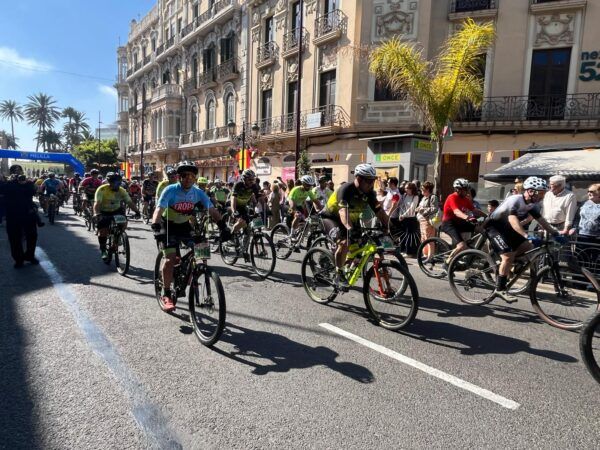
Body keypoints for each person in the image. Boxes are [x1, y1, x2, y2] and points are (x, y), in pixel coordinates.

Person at [151, 162, 228, 311]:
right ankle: (166, 294)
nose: (188, 178)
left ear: (195, 178)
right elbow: (159, 209)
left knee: (201, 250)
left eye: (191, 176)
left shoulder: (197, 192)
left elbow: (212, 210)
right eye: (184, 175)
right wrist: (155, 225)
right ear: (179, 177)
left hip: (185, 225)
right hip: (168, 225)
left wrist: (223, 226)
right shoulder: (170, 190)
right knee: (170, 258)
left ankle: (192, 273)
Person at [485, 176, 560, 303]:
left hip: (509, 229)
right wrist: (526, 236)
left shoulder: (533, 204)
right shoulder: (515, 199)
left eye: (543, 194)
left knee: (528, 248)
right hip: (495, 228)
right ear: (530, 191)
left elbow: (541, 220)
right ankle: (500, 288)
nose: (542, 196)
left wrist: (555, 233)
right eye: (541, 193)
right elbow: (512, 219)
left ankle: (508, 266)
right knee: (508, 256)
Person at [321, 164, 389, 287]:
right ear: (358, 178)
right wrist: (350, 229)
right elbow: (343, 212)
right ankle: (338, 273)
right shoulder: (346, 189)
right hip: (332, 218)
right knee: (345, 242)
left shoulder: (370, 193)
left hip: (351, 219)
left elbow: (379, 211)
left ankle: (346, 264)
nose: (371, 184)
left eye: (373, 180)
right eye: (368, 181)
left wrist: (388, 227)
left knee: (360, 246)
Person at [0, 165, 43, 268]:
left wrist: (26, 183)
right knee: (14, 238)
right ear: (11, 173)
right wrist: (7, 181)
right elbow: (2, 191)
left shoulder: (28, 183)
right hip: (13, 215)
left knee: (32, 236)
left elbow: (33, 192)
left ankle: (30, 256)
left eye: (19, 171)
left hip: (28, 214)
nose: (18, 173)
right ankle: (19, 259)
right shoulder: (7, 184)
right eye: (15, 171)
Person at [94, 173, 141, 262]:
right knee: (103, 231)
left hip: (116, 210)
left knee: (124, 222)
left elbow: (130, 203)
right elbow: (97, 204)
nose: (117, 185)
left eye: (119, 183)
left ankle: (117, 239)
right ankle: (103, 250)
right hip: (104, 211)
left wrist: (137, 212)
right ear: (110, 182)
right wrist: (97, 213)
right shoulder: (102, 189)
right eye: (115, 183)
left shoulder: (122, 190)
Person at [440, 178, 485, 265]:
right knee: (461, 245)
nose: (467, 192)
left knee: (481, 229)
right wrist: (467, 217)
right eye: (465, 189)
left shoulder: (465, 199)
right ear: (458, 189)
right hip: (449, 224)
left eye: (467, 189)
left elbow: (475, 210)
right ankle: (447, 263)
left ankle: (474, 252)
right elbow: (456, 212)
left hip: (459, 222)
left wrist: (488, 216)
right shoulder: (452, 197)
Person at [230, 169, 262, 234]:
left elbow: (257, 197)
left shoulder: (253, 186)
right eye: (249, 179)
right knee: (242, 222)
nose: (251, 181)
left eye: (253, 179)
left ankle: (251, 235)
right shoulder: (238, 185)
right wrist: (234, 211)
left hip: (243, 205)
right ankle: (231, 234)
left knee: (255, 220)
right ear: (244, 179)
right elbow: (233, 198)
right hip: (235, 205)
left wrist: (258, 208)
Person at [394, 181, 420, 256]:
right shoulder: (404, 195)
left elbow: (412, 208)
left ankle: (409, 252)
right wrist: (400, 215)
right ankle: (403, 250)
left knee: (409, 237)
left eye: (407, 188)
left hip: (410, 219)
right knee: (402, 236)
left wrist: (403, 215)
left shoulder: (415, 197)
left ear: (411, 189)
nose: (405, 190)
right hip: (403, 218)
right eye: (405, 188)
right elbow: (401, 206)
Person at [416, 181, 439, 260]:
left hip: (428, 220)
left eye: (423, 189)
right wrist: (418, 209)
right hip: (422, 220)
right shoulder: (424, 197)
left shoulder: (433, 197)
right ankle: (425, 254)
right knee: (423, 238)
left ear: (428, 189)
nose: (421, 190)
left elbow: (434, 209)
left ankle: (430, 256)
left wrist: (422, 210)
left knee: (429, 238)